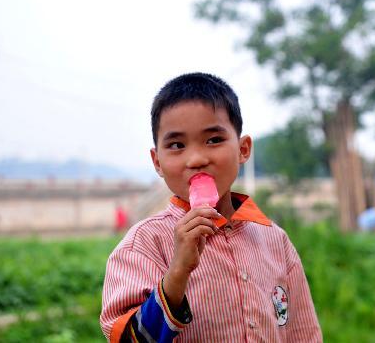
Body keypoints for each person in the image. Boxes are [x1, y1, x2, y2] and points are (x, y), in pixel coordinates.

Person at [101, 72, 322, 342]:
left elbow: (303, 333)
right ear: (157, 161)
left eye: (214, 140)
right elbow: (127, 339)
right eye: (177, 145)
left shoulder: (275, 241)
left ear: (242, 149)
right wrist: (177, 273)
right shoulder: (143, 245)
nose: (196, 159)